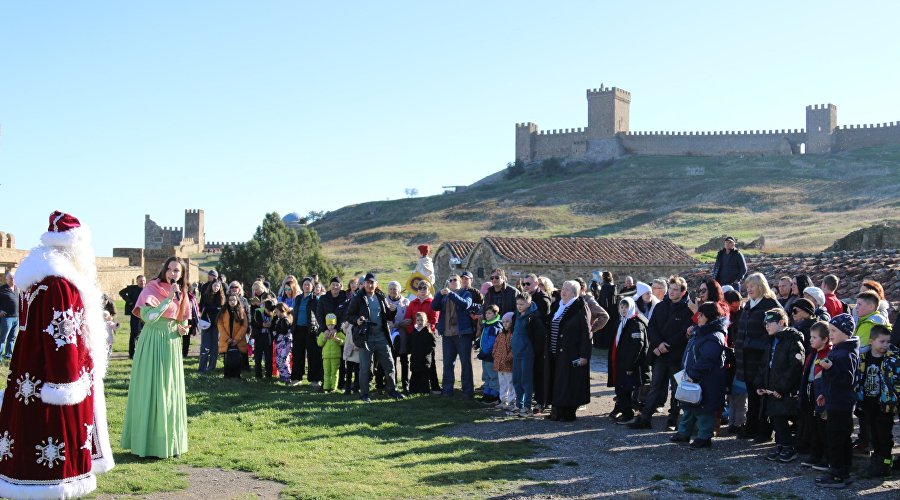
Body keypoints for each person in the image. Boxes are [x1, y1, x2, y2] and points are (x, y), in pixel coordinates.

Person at [0, 212, 115, 497]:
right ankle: (54, 484)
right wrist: (65, 383)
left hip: (29, 371)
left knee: (29, 427)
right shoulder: (60, 285)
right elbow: (62, 338)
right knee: (52, 430)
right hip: (55, 377)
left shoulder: (34, 282)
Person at [121, 256, 190, 458]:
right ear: (164, 270)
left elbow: (184, 319)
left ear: (182, 274)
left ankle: (169, 443)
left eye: (177, 271)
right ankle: (146, 443)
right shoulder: (151, 288)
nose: (173, 274)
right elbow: (149, 318)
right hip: (152, 341)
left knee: (169, 389)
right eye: (170, 269)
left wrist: (182, 329)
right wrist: (167, 298)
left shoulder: (183, 293)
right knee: (151, 387)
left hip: (171, 342)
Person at [629, 276, 693, 430]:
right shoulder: (661, 306)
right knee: (655, 385)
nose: (671, 292)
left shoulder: (688, 309)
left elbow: (684, 332)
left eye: (675, 289)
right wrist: (658, 344)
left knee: (677, 388)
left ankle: (672, 420)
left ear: (683, 292)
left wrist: (667, 345)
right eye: (670, 288)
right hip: (660, 354)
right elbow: (652, 327)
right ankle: (645, 418)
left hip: (677, 355)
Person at [671, 301, 728, 449]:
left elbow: (707, 360)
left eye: (700, 314)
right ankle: (684, 433)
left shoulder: (714, 336)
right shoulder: (701, 331)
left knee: (704, 410)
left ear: (707, 316)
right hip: (694, 377)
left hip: (706, 380)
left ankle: (704, 437)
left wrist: (692, 374)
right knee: (689, 406)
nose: (698, 317)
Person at [732, 272, 781, 441]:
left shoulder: (770, 305)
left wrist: (754, 345)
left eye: (752, 286)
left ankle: (763, 430)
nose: (749, 289)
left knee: (762, 396)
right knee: (752, 396)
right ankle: (751, 427)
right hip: (746, 360)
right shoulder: (748, 306)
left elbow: (773, 334)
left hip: (761, 359)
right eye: (748, 286)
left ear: (761, 286)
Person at [755, 308, 805, 462]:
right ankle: (781, 445)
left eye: (770, 322)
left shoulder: (793, 341)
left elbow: (795, 367)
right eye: (765, 323)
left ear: (781, 322)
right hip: (772, 388)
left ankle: (789, 447)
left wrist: (782, 388)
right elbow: (764, 365)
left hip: (785, 390)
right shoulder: (771, 341)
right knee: (776, 417)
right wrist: (760, 384)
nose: (766, 326)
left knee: (783, 417)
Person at [816, 314, 860, 489]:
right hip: (834, 400)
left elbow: (846, 380)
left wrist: (831, 368)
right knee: (839, 437)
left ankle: (838, 474)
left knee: (837, 438)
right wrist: (824, 394)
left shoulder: (846, 353)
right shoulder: (839, 349)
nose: (831, 334)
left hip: (841, 404)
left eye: (834, 331)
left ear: (846, 332)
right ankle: (841, 471)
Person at [346, 273, 403, 402]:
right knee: (365, 368)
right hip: (365, 338)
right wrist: (357, 320)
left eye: (372, 283)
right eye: (367, 282)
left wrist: (392, 310)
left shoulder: (381, 297)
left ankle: (392, 390)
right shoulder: (358, 298)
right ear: (364, 284)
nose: (370, 285)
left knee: (389, 365)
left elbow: (388, 317)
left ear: (376, 284)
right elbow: (349, 315)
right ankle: (364, 394)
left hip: (381, 336)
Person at [853, 325, 899, 478]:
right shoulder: (863, 358)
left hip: (885, 406)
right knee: (873, 432)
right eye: (882, 341)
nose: (886, 345)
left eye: (888, 342)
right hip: (868, 403)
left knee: (884, 435)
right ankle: (877, 461)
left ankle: (885, 464)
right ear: (872, 341)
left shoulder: (892, 359)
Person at [545, 280, 592, 422]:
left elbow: (586, 333)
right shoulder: (557, 306)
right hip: (555, 352)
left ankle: (568, 413)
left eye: (567, 290)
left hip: (571, 352)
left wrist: (584, 355)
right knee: (557, 382)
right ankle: (557, 412)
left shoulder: (580, 307)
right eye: (563, 289)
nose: (563, 292)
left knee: (568, 383)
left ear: (575, 293)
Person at [431, 273, 475, 399]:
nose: (452, 281)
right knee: (448, 364)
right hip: (447, 335)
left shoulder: (466, 293)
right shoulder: (444, 296)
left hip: (463, 334)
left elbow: (465, 305)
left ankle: (467, 392)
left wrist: (450, 294)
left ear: (460, 282)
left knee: (466, 364)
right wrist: (439, 294)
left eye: (455, 280)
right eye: (450, 280)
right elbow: (433, 306)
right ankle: (447, 391)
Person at [608, 297, 647, 425]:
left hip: (628, 365)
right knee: (620, 389)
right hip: (619, 363)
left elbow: (638, 346)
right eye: (621, 307)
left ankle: (628, 414)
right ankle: (624, 412)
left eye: (626, 307)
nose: (623, 310)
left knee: (626, 389)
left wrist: (631, 365)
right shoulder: (621, 322)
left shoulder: (636, 323)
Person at [798, 322, 832, 471]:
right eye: (810, 337)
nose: (811, 340)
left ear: (825, 339)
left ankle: (826, 456)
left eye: (814, 337)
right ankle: (815, 453)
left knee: (823, 426)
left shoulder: (829, 354)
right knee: (812, 424)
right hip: (809, 391)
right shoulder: (812, 354)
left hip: (821, 393)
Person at [510, 293, 546, 417]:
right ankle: (518, 405)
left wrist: (533, 351)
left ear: (529, 303)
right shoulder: (517, 315)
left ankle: (527, 406)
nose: (519, 306)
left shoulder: (534, 317)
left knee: (526, 380)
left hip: (527, 354)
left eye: (522, 304)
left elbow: (540, 338)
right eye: (517, 304)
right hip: (516, 353)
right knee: (516, 379)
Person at [404, 281, 441, 394]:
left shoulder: (432, 302)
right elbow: (408, 319)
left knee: (430, 362)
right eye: (420, 288)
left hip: (427, 335)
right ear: (417, 290)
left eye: (425, 288)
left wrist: (426, 331)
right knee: (416, 364)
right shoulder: (412, 303)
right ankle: (416, 387)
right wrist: (413, 332)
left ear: (429, 290)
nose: (422, 290)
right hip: (415, 335)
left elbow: (434, 320)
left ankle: (434, 387)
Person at [292, 277, 320, 386]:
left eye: (309, 284)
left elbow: (318, 314)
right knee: (298, 354)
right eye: (304, 284)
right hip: (298, 329)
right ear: (302, 286)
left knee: (313, 355)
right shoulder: (298, 298)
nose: (306, 286)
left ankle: (314, 380)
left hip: (311, 330)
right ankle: (296, 378)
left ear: (312, 286)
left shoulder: (315, 299)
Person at [385, 281, 410, 393]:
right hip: (389, 334)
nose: (392, 291)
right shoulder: (384, 302)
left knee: (404, 360)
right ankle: (392, 384)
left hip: (403, 335)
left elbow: (409, 317)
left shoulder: (406, 302)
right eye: (390, 289)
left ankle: (405, 384)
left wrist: (404, 322)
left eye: (395, 289)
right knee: (391, 360)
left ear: (399, 290)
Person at [218, 292, 248, 378]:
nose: (232, 302)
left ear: (237, 301)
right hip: (226, 339)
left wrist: (236, 339)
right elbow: (220, 325)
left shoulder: (241, 312)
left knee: (237, 358)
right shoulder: (223, 311)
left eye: (234, 300)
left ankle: (236, 375)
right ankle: (227, 375)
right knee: (227, 358)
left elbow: (244, 326)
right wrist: (227, 338)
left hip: (237, 340)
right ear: (227, 301)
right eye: (230, 300)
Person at [198, 279, 225, 373]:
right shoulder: (205, 296)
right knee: (205, 347)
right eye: (215, 286)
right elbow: (201, 308)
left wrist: (214, 309)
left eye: (218, 286)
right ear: (211, 286)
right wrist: (214, 309)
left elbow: (222, 311)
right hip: (206, 323)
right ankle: (202, 368)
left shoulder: (222, 297)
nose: (216, 288)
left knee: (214, 347)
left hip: (216, 325)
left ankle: (211, 367)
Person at [408, 312, 438, 395]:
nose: (420, 322)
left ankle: (424, 390)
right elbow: (410, 343)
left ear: (425, 321)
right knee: (415, 373)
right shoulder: (413, 332)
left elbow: (433, 344)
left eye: (422, 320)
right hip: (415, 357)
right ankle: (413, 390)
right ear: (415, 321)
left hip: (425, 357)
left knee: (424, 374)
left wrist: (427, 353)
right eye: (418, 320)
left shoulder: (428, 332)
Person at [477, 304, 502, 403]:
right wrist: (478, 344)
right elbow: (484, 338)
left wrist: (484, 352)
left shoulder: (495, 326)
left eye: (489, 313)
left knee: (493, 377)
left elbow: (491, 342)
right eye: (486, 313)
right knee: (486, 376)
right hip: (485, 356)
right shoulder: (487, 324)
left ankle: (494, 396)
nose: (487, 315)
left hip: (491, 357)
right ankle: (487, 394)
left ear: (496, 314)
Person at [118, 274, 145, 359]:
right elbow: (121, 292)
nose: (142, 282)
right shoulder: (132, 288)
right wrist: (129, 301)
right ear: (137, 281)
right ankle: (132, 354)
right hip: (135, 315)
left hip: (145, 315)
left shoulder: (148, 289)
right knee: (134, 334)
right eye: (140, 281)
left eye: (144, 281)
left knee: (144, 335)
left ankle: (142, 353)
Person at [493, 312, 516, 410]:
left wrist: (508, 359)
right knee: (502, 383)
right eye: (503, 322)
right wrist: (494, 354)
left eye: (508, 321)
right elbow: (495, 346)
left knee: (510, 383)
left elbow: (513, 349)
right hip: (499, 364)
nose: (505, 324)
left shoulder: (513, 335)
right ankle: (503, 400)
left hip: (508, 365)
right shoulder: (500, 335)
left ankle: (512, 401)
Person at [318, 313, 345, 392]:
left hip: (336, 356)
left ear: (335, 324)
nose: (331, 326)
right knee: (326, 372)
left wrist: (338, 340)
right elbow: (319, 343)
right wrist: (324, 338)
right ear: (326, 324)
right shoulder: (323, 334)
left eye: (332, 324)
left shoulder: (339, 333)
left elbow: (345, 341)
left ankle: (333, 387)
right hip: (326, 357)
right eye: (329, 325)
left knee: (335, 372)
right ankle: (326, 387)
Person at [592, 271, 618, 349]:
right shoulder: (614, 286)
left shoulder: (605, 287)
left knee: (604, 328)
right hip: (613, 311)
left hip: (606, 310)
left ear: (603, 277)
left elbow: (603, 301)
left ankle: (602, 345)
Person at [252, 297, 276, 379]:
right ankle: (258, 375)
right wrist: (262, 324)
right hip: (259, 337)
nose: (270, 312)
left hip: (268, 337)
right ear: (264, 307)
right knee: (258, 357)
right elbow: (253, 324)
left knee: (268, 357)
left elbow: (274, 325)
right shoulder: (258, 312)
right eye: (268, 310)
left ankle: (268, 375)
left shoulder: (274, 314)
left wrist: (271, 326)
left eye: (272, 311)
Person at [271, 303, 294, 384]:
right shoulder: (280, 319)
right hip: (280, 343)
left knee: (282, 360)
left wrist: (276, 332)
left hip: (284, 343)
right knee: (280, 360)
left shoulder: (285, 320)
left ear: (282, 311)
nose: (276, 314)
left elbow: (284, 331)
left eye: (277, 312)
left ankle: (287, 377)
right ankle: (283, 376)